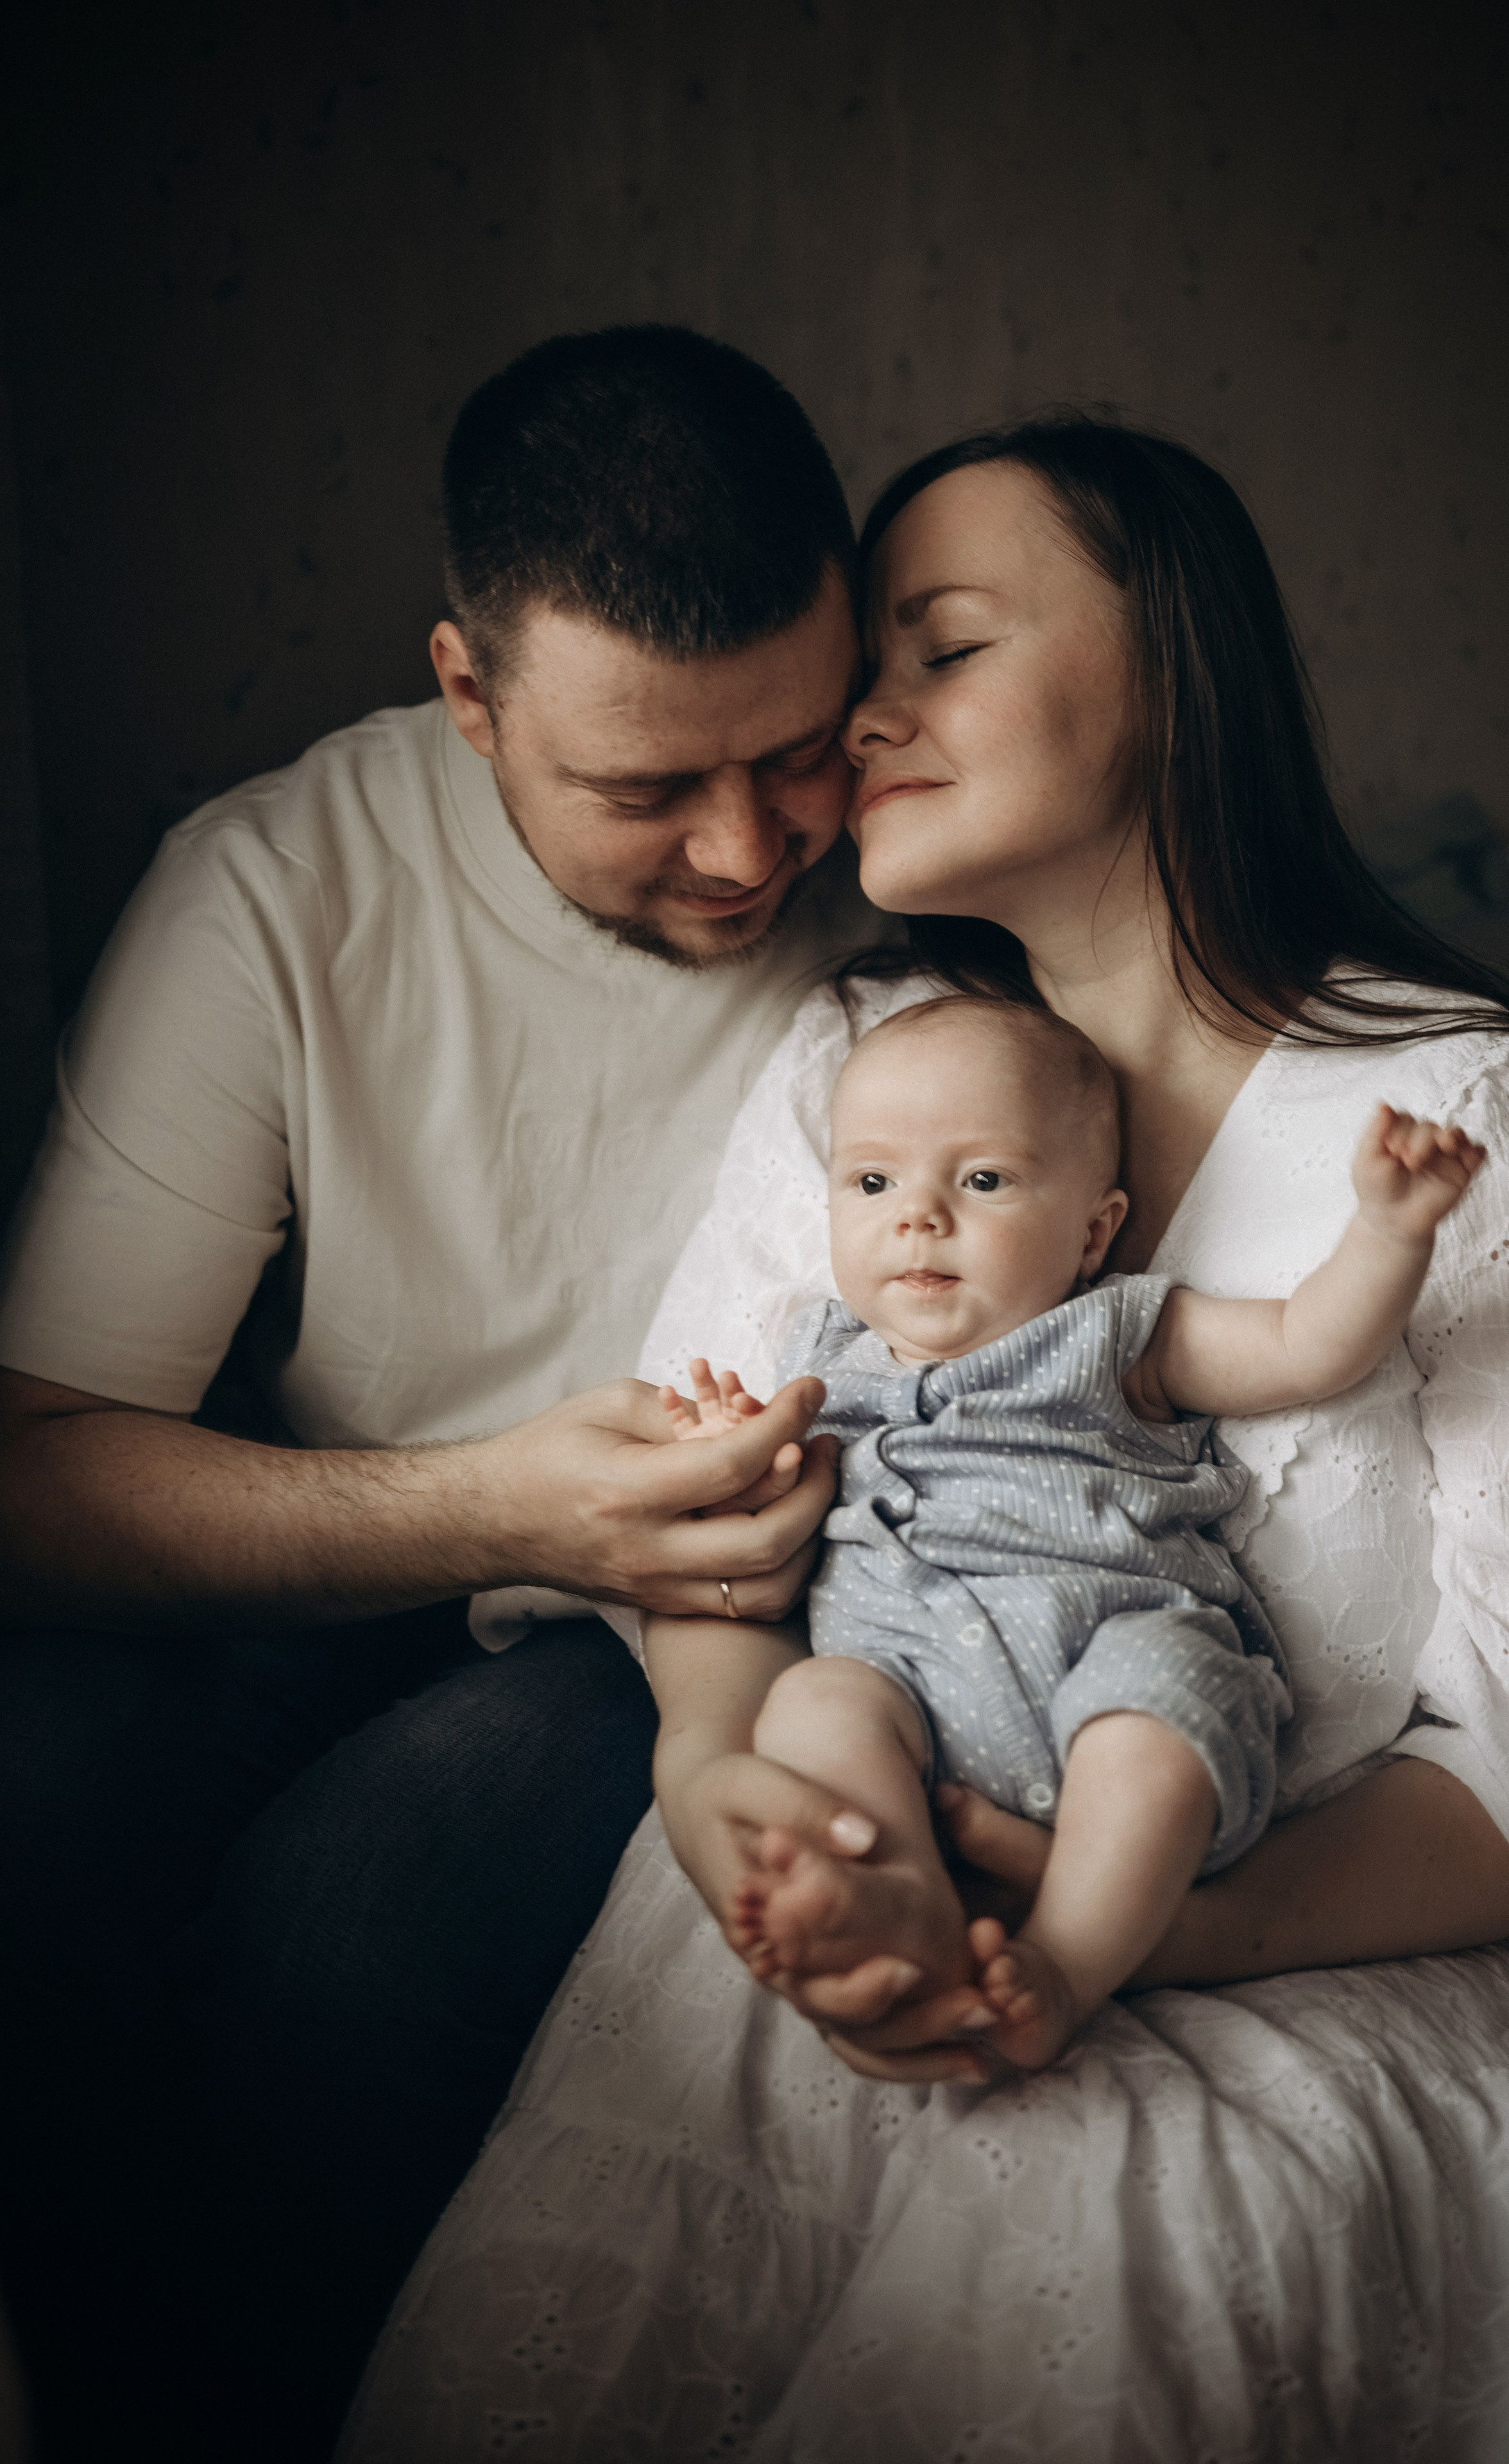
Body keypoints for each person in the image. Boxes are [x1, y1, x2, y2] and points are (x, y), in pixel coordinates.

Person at [339, 415, 1509, 2460]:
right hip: (864, 1863)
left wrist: (1166, 1933)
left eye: (940, 647)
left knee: (1109, 2270)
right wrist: (711, 1774)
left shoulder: (1481, 1123)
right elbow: (720, 1495)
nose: (862, 716)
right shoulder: (850, 1071)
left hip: (1320, 1942)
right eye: (878, 667)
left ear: (1170, 673)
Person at [0, 325, 903, 2463]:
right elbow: (31, 1476)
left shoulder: (913, 846)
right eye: (643, 787)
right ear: (468, 692)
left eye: (791, 753)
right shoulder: (275, 891)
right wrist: (489, 1510)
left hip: (675, 1626)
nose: (749, 851)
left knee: (352, 1949)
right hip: (343, 1539)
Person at [660, 997, 1484, 2071]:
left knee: (1160, 1706)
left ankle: (1063, 1966)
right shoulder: (823, 1364)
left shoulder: (1116, 1332)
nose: (918, 1216)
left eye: (983, 1180)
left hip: (1119, 1656)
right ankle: (896, 1901)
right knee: (814, 1705)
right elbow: (765, 1532)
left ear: (1094, 1230)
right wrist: (738, 1455)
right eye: (873, 1184)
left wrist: (1387, 1233)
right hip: (906, 1689)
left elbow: (1307, 1345)